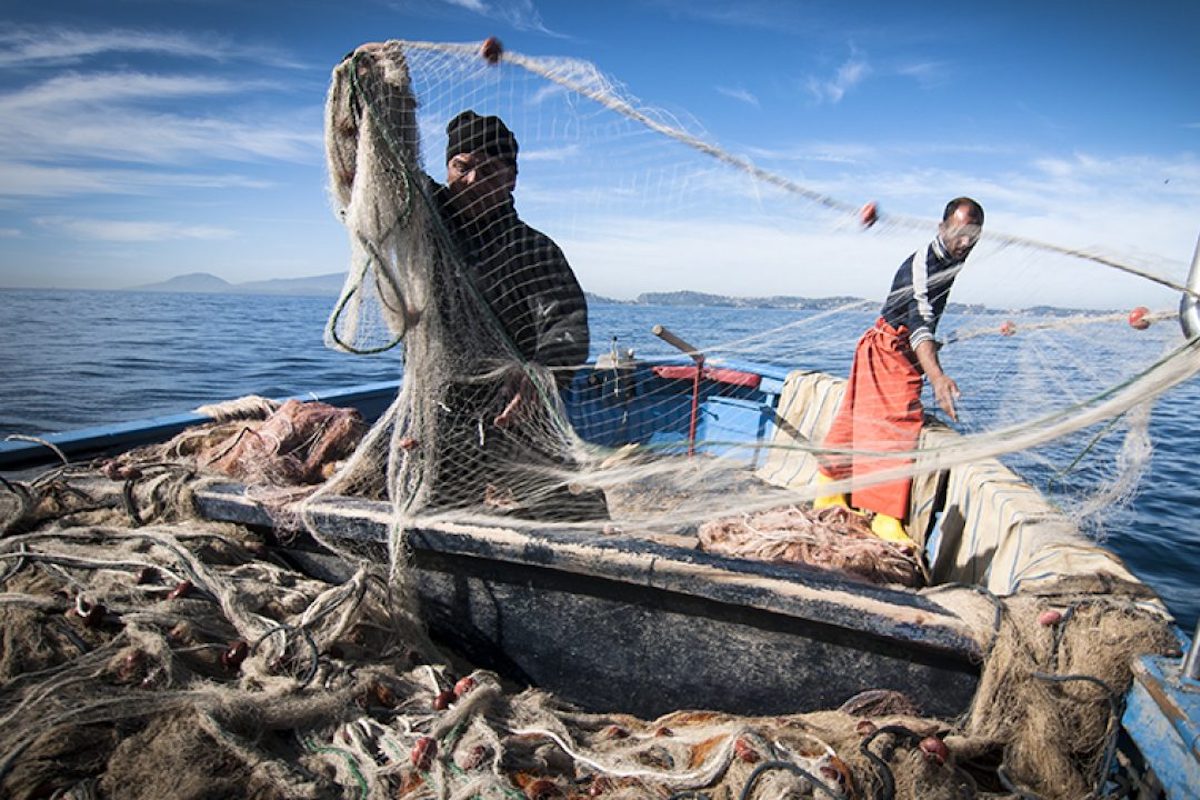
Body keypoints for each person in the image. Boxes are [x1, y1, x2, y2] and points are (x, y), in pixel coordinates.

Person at [426, 110, 607, 519]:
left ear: (511, 178)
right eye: (462, 167)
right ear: (448, 168)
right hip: (442, 409)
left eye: (489, 170)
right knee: (441, 518)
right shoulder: (423, 225)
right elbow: (379, 168)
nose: (472, 181)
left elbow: (566, 324)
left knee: (570, 518)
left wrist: (543, 372)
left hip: (517, 410)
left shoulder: (535, 249)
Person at [814, 197, 985, 543]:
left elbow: (926, 327)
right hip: (889, 348)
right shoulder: (922, 264)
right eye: (960, 233)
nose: (966, 243)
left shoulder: (953, 255)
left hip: (902, 347)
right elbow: (920, 321)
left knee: (856, 417)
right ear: (942, 227)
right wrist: (937, 377)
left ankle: (830, 492)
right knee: (898, 422)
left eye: (974, 236)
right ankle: (885, 518)